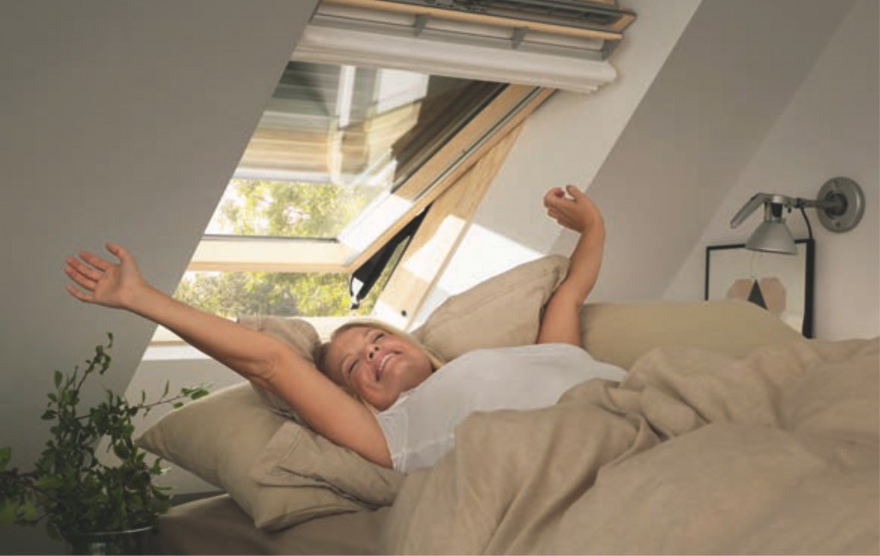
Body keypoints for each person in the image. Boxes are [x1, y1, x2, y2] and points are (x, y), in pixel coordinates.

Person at [64, 185, 624, 473]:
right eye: (355, 365)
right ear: (357, 402)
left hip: (631, 405)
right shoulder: (390, 433)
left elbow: (570, 290)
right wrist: (141, 299)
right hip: (583, 452)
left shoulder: (542, 352)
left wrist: (593, 224)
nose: (373, 354)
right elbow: (272, 362)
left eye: (378, 339)